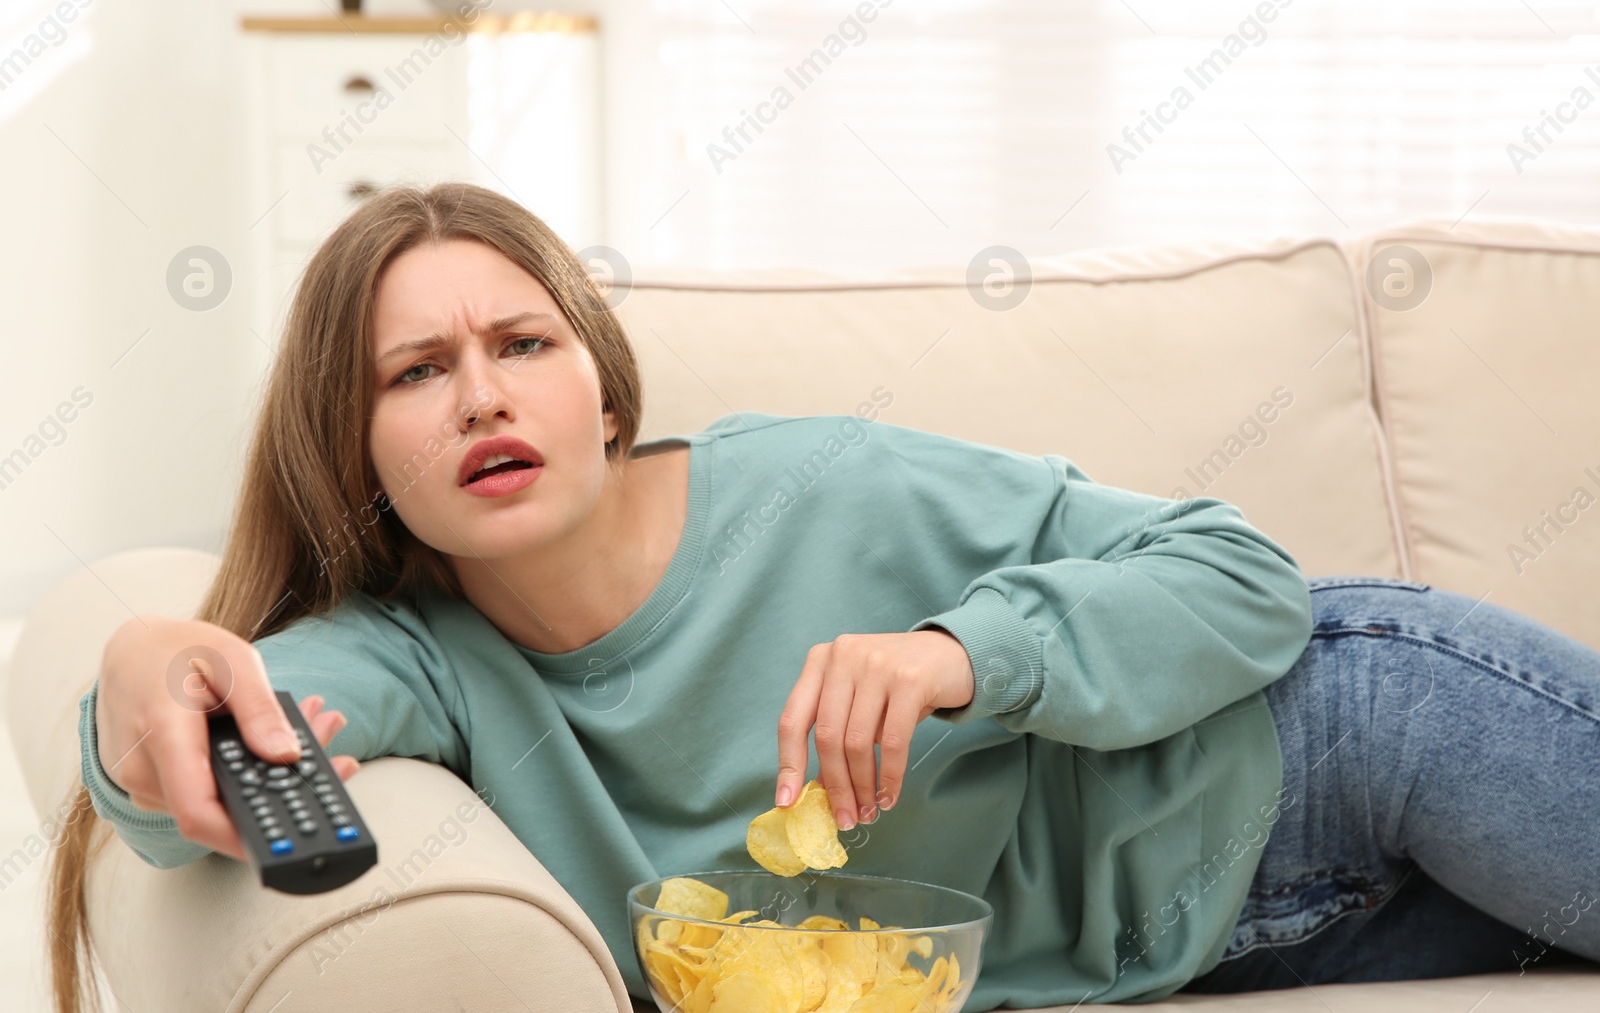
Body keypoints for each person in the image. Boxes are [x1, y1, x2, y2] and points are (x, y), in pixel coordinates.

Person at [47, 182, 1600, 1013]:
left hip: (1353, 739)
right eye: (416, 371)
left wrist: (959, 653)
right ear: (361, 457)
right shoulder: (422, 663)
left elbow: (1245, 578)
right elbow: (236, 728)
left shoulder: (816, 482)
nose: (481, 395)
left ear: (600, 393)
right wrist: (140, 670)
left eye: (522, 344)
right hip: (1246, 935)